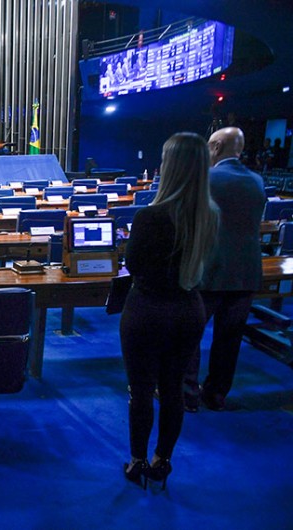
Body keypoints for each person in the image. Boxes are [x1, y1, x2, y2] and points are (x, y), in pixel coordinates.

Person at [120, 132, 219, 489]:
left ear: (171, 168)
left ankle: (137, 461)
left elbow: (132, 264)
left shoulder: (150, 216)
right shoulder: (211, 216)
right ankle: (163, 461)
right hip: (190, 310)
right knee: (173, 389)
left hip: (148, 310)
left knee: (141, 390)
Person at [184, 127, 266, 412]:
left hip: (210, 271)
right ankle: (216, 395)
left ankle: (187, 393)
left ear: (216, 147)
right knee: (229, 341)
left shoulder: (206, 179)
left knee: (190, 334)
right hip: (246, 274)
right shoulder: (257, 181)